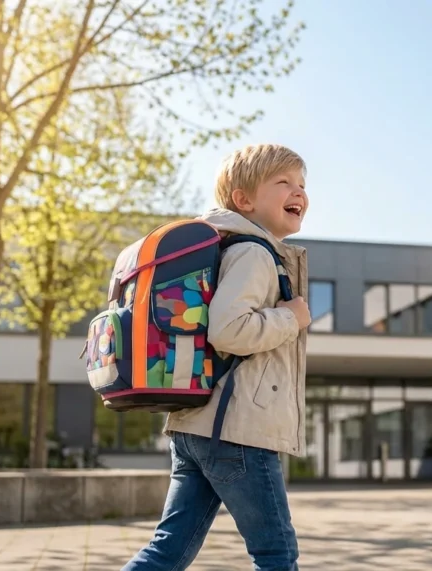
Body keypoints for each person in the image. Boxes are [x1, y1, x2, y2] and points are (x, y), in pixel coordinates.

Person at [123, 144, 311, 571]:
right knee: (276, 553)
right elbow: (229, 330)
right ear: (243, 200)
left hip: (198, 425)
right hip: (238, 431)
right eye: (283, 182)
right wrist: (290, 317)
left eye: (301, 184)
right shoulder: (254, 253)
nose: (297, 191)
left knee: (167, 549)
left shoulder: (228, 250)